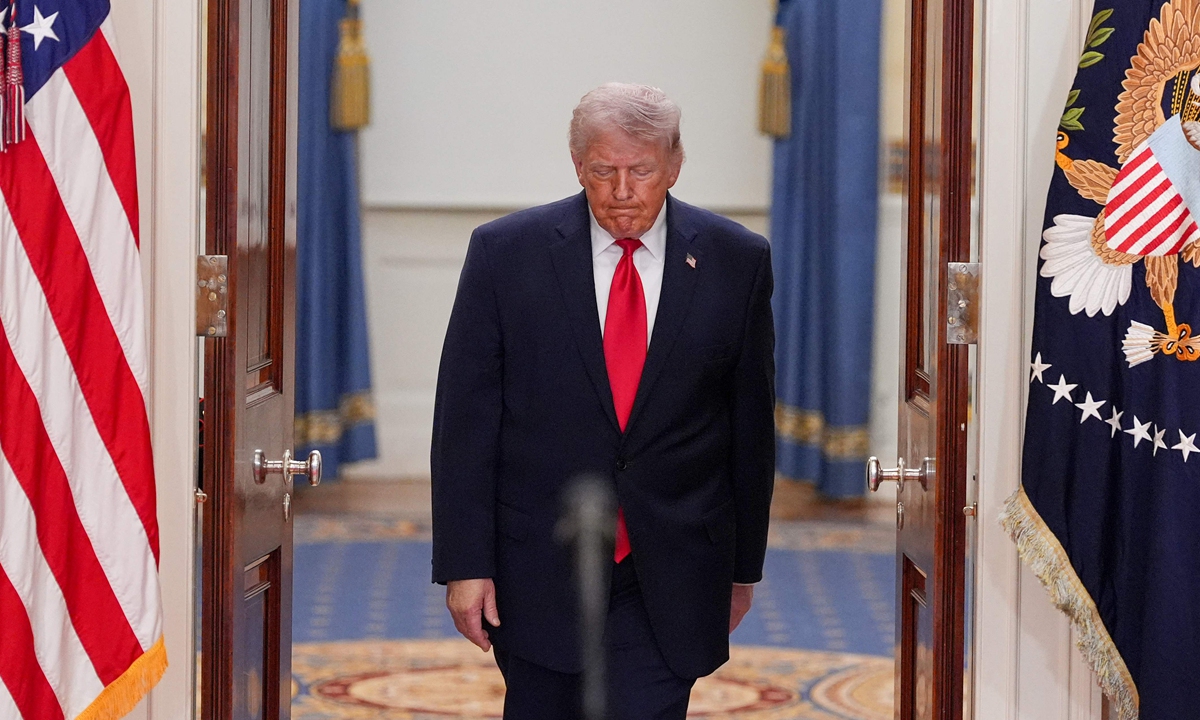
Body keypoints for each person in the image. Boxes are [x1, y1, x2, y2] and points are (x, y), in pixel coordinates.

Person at [431, 82, 776, 719]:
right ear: (576, 164)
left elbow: (749, 427)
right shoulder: (506, 254)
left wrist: (742, 567)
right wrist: (464, 564)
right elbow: (465, 422)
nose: (622, 191)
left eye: (641, 171)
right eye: (603, 171)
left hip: (671, 565)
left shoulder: (737, 261)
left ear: (674, 164)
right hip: (537, 561)